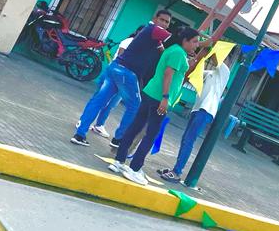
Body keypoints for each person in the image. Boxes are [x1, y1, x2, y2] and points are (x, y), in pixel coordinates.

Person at [110, 28, 200, 185]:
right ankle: (134, 169)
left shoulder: (174, 49)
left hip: (150, 92)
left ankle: (119, 161)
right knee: (151, 134)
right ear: (185, 40)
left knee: (135, 127)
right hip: (159, 98)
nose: (197, 45)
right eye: (194, 41)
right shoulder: (178, 53)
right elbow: (168, 74)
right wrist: (165, 98)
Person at [71, 10, 172, 146]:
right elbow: (176, 40)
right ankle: (118, 139)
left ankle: (79, 135)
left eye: (167, 22)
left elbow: (162, 51)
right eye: (162, 20)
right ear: (155, 19)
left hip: (116, 68)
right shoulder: (153, 29)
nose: (164, 23)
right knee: (134, 106)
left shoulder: (153, 35)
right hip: (127, 72)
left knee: (99, 100)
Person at [158, 47, 235, 183]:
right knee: (185, 139)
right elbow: (190, 74)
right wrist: (196, 57)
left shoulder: (224, 71)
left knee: (189, 140)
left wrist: (208, 47)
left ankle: (177, 172)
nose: (222, 58)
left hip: (206, 110)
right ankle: (175, 169)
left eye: (225, 57)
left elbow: (215, 56)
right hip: (197, 109)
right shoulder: (209, 73)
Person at [90, 26, 146, 138]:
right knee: (99, 100)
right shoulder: (129, 41)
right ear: (138, 32)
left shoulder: (141, 46)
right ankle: (84, 122)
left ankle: (99, 125)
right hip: (115, 75)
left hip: (124, 79)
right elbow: (121, 56)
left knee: (111, 104)